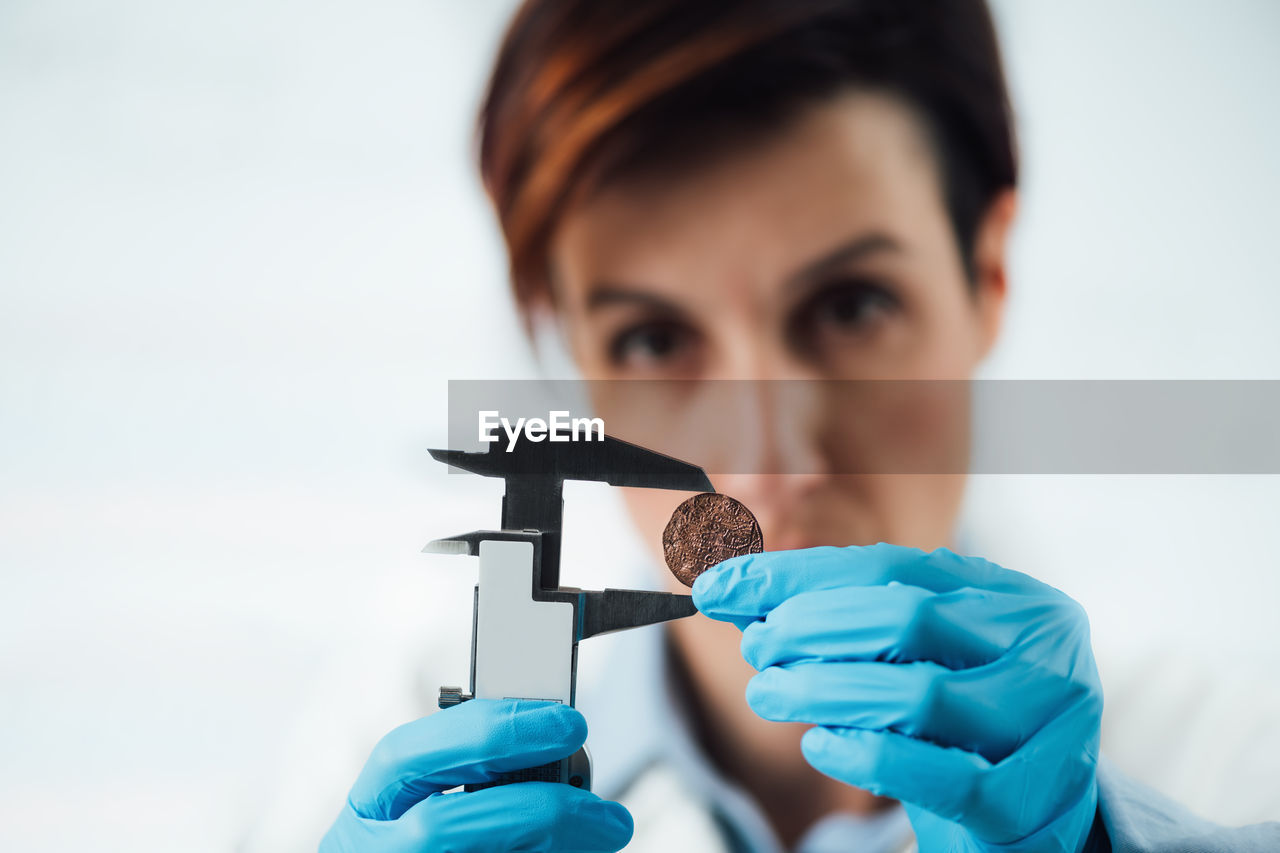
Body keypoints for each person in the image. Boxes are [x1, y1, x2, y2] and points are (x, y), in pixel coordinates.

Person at [311, 1, 1280, 851]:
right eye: (651, 338)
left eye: (850, 306)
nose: (766, 463)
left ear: (986, 272)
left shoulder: (1237, 761)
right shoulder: (375, 763)